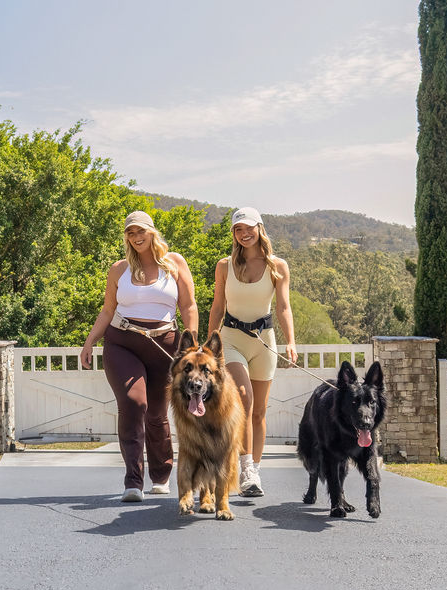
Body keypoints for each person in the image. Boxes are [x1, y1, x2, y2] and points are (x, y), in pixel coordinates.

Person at [80, 210, 198, 502]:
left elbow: (189, 306)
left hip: (165, 346)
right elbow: (108, 310)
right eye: (130, 233)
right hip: (123, 343)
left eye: (141, 231)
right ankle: (133, 480)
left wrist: (192, 341)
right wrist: (90, 342)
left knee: (157, 413)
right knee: (135, 403)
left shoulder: (175, 263)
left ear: (152, 232)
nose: (136, 238)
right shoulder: (119, 269)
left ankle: (161, 475)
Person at [208, 206, 297, 497]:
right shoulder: (224, 266)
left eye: (248, 228)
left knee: (258, 412)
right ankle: (245, 470)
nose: (244, 234)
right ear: (233, 234)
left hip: (264, 341)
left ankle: (254, 470)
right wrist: (210, 344)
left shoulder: (277, 266)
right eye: (238, 229)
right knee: (243, 400)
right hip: (231, 338)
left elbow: (283, 307)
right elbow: (218, 306)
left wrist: (291, 341)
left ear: (259, 228)